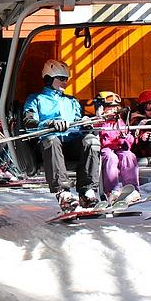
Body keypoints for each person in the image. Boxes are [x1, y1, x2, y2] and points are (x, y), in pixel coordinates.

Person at [22, 59, 100, 210]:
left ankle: (87, 191)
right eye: (61, 79)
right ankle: (63, 192)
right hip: (48, 144)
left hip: (70, 142)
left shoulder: (71, 101)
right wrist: (49, 123)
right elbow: (29, 122)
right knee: (52, 140)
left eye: (66, 79)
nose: (65, 83)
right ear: (48, 78)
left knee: (91, 141)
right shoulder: (36, 99)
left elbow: (77, 120)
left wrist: (84, 122)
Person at [93, 91, 140, 204]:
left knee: (128, 156)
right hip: (106, 149)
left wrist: (126, 139)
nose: (114, 110)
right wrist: (100, 118)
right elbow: (100, 137)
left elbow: (129, 138)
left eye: (115, 107)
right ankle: (112, 190)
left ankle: (132, 189)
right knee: (111, 158)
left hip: (119, 148)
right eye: (110, 108)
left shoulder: (120, 121)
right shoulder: (98, 122)